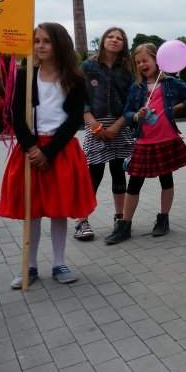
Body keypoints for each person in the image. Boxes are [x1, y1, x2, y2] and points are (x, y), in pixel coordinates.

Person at [0, 23, 96, 288]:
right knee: (32, 210)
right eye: (37, 40)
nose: (40, 45)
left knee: (58, 209)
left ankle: (59, 262)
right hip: (30, 149)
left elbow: (74, 119)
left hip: (59, 150)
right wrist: (31, 148)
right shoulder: (24, 76)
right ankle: (28, 266)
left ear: (59, 44)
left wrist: (49, 152)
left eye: (47, 41)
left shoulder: (74, 79)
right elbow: (16, 115)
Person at [104, 43, 186, 244]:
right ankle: (125, 224)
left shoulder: (170, 83)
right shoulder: (136, 87)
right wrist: (137, 115)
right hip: (144, 142)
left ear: (157, 59)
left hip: (166, 139)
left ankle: (163, 219)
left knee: (166, 179)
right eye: (138, 62)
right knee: (134, 182)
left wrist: (174, 108)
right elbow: (127, 112)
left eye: (145, 60)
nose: (142, 65)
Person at [76, 27, 134, 241]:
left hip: (119, 124)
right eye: (110, 36)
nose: (114, 40)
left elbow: (132, 100)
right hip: (95, 122)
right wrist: (92, 122)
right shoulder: (88, 66)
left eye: (119, 38)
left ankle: (120, 217)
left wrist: (118, 125)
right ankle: (81, 220)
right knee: (94, 173)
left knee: (119, 172)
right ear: (103, 40)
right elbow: (79, 96)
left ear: (124, 44)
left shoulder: (127, 69)